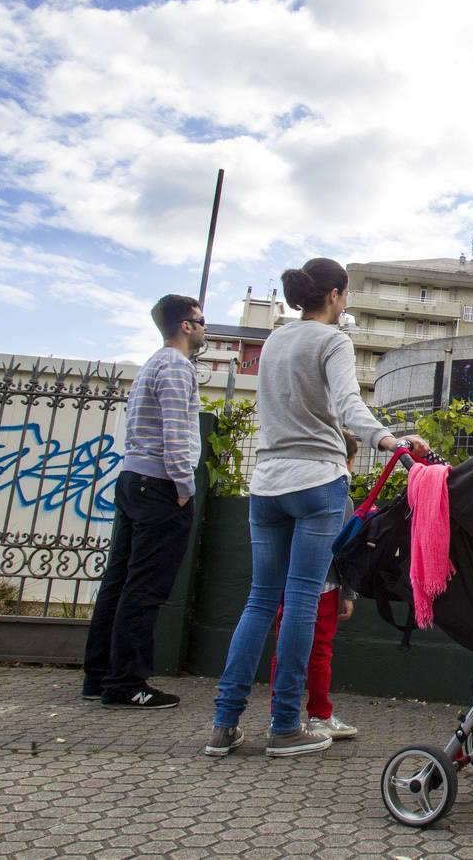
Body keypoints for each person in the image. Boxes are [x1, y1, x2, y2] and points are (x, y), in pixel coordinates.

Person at [205, 257, 428, 758]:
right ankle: (285, 726)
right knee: (303, 603)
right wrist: (391, 441)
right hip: (317, 480)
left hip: (266, 482)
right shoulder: (334, 341)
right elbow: (349, 405)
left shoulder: (276, 340)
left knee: (260, 601)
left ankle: (224, 724)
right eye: (346, 295)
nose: (346, 303)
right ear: (334, 295)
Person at [83, 294, 206, 709]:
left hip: (132, 480)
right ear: (186, 325)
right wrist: (184, 486)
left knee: (119, 581)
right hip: (159, 486)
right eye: (201, 321)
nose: (205, 328)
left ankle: (99, 677)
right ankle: (126, 683)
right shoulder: (175, 366)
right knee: (145, 587)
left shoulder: (152, 363)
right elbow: (176, 431)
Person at [265, 428, 361, 742]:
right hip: (325, 586)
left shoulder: (290, 490)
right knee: (320, 650)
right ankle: (320, 714)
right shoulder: (341, 498)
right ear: (345, 460)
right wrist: (348, 593)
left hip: (288, 582)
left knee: (284, 647)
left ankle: (280, 714)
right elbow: (343, 551)